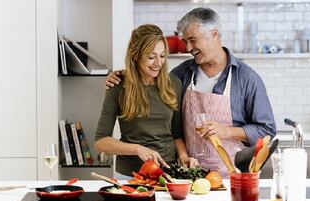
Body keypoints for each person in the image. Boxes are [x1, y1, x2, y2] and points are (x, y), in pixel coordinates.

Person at [105, 8, 276, 177]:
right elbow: (169, 121)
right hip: (188, 175)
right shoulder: (181, 74)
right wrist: (121, 76)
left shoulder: (247, 79)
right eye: (185, 41)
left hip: (231, 176)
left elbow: (267, 130)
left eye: (193, 40)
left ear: (214, 34)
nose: (188, 48)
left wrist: (227, 131)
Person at [95, 24, 197, 180]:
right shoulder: (118, 85)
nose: (158, 62)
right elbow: (101, 141)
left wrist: (183, 156)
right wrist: (137, 149)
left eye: (162, 55)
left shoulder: (173, 84)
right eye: (151, 57)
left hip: (167, 171)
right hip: (130, 174)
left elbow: (176, 134)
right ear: (136, 56)